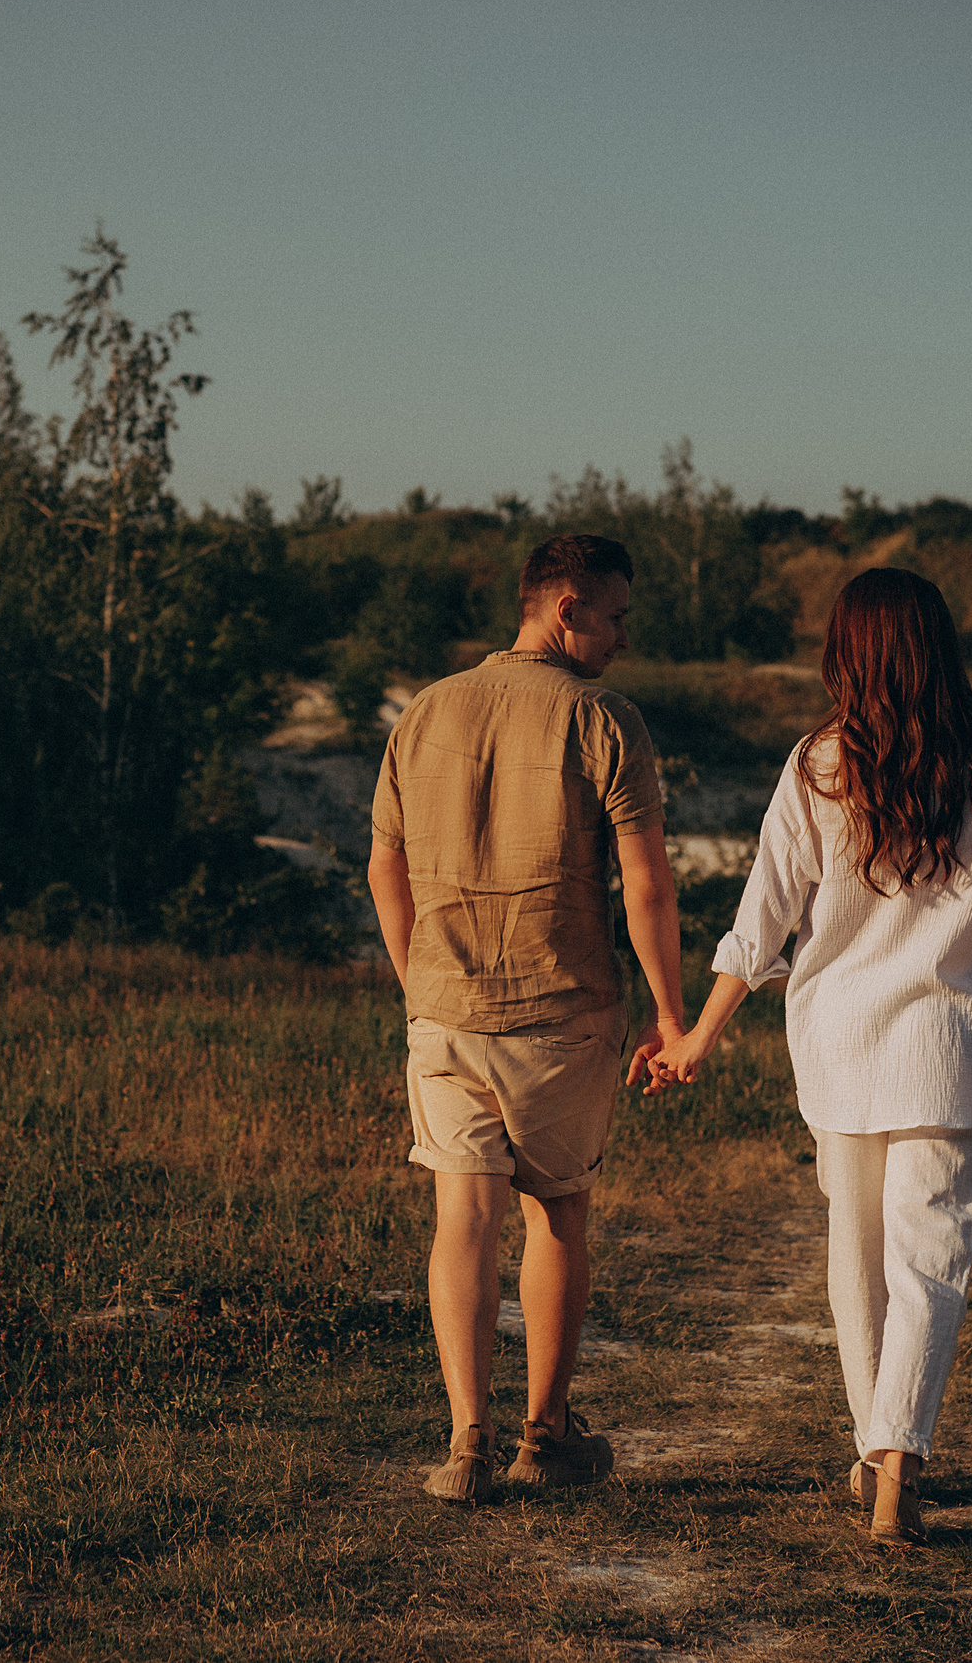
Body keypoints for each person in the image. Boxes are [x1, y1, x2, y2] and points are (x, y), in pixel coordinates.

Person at [646, 566, 972, 1545]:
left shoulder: (816, 766)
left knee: (857, 1256)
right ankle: (896, 1465)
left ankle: (874, 1453)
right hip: (953, 1050)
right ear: (937, 645)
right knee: (929, 1261)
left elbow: (758, 924)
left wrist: (693, 1040)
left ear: (845, 651)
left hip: (840, 1047)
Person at [367, 532, 689, 1504]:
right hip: (563, 1012)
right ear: (566, 610)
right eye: (616, 615)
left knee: (460, 1215)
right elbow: (646, 884)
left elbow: (384, 865)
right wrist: (670, 1013)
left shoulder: (425, 712)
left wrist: (414, 977)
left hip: (446, 1008)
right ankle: (543, 1436)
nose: (624, 635)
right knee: (559, 1211)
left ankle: (466, 1438)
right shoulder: (603, 718)